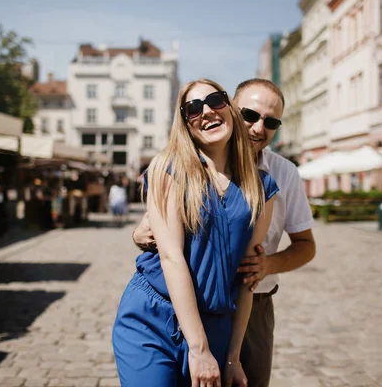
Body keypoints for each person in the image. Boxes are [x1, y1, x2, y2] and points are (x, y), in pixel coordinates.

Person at [132, 78, 317, 386]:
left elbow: (306, 246)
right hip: (188, 298)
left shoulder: (282, 174)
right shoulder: (192, 164)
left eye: (271, 122)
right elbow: (165, 237)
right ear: (231, 108)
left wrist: (266, 265)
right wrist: (139, 234)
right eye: (251, 115)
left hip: (253, 302)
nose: (259, 128)